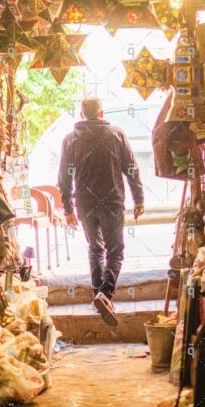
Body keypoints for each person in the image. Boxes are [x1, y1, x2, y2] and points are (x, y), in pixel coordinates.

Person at [58, 97, 145, 326]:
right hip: (112, 201)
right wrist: (139, 199)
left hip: (85, 203)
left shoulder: (70, 139)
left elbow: (63, 178)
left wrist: (68, 208)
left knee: (95, 248)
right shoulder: (116, 134)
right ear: (102, 113)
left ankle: (99, 294)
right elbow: (131, 169)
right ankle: (105, 294)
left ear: (81, 114)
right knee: (115, 251)